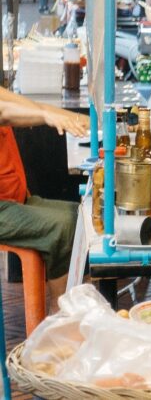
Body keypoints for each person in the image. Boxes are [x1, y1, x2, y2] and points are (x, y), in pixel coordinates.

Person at [0, 88, 89, 307]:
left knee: (79, 216)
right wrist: (46, 116)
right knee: (63, 226)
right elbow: (4, 112)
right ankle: (59, 312)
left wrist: (84, 121)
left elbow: (27, 105)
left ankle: (77, 302)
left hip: (12, 199)